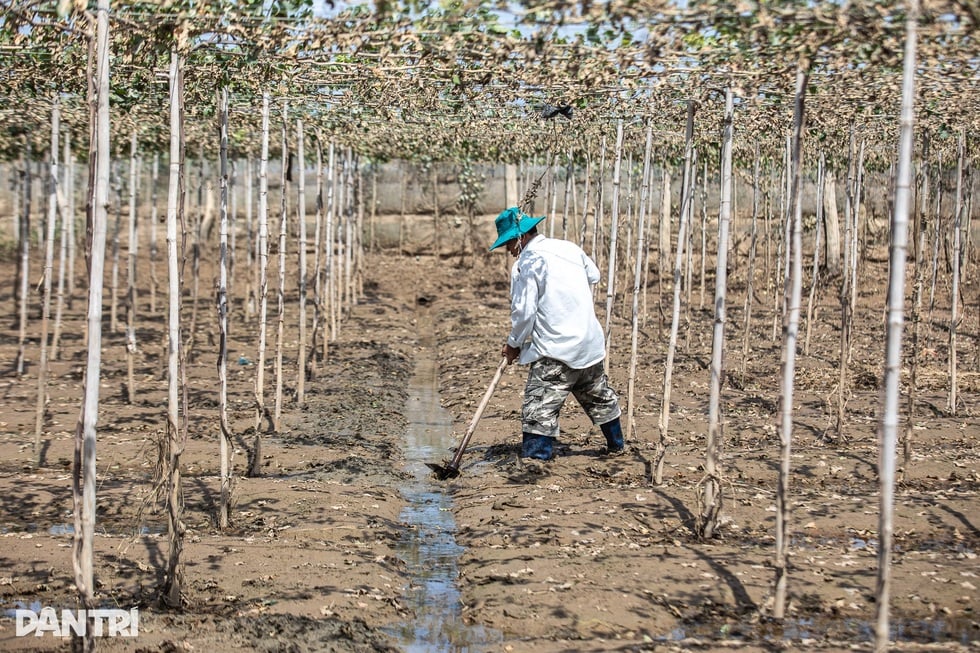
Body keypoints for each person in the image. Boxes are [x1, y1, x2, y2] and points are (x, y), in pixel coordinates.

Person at [489, 206, 624, 461]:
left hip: (556, 348)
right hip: (588, 340)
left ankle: (535, 461)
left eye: (509, 244)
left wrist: (513, 343)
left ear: (521, 237)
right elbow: (593, 276)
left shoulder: (526, 264)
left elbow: (524, 313)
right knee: (598, 395)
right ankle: (617, 446)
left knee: (539, 407)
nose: (509, 251)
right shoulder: (569, 248)